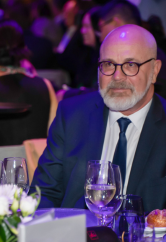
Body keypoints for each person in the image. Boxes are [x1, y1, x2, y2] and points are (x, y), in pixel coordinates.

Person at [30, 24, 166, 212]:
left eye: (130, 65)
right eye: (108, 64)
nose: (117, 76)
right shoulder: (72, 116)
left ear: (154, 71)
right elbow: (44, 193)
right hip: (78, 237)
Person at [0, 20, 57, 146]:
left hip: (0, 165)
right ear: (23, 49)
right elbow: (54, 139)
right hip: (39, 164)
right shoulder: (45, 85)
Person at [98, 0, 166, 98]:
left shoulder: (152, 55)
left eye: (130, 65)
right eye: (108, 64)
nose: (100, 37)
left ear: (116, 22)